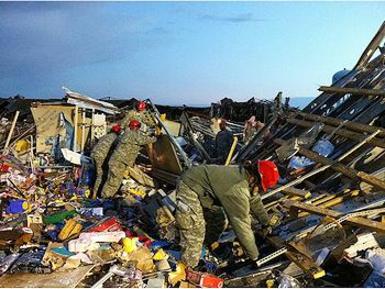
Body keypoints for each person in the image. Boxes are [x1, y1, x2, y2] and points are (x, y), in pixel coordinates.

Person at [175, 160, 280, 268]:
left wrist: (266, 222)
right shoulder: (238, 189)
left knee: (219, 220)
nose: (260, 190)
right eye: (260, 187)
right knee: (195, 229)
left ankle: (206, 245)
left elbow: (254, 200)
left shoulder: (246, 177)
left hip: (204, 191)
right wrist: (254, 256)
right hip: (190, 185)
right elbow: (241, 225)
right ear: (255, 179)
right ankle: (188, 268)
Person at [100, 120, 157, 198]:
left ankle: (105, 197)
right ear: (137, 128)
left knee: (111, 180)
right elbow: (146, 140)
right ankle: (105, 199)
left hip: (117, 161)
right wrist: (155, 137)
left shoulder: (126, 133)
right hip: (119, 162)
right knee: (114, 182)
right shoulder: (133, 135)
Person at [91, 124, 122, 197]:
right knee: (100, 175)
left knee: (96, 173)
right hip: (100, 157)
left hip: (93, 154)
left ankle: (93, 191)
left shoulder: (105, 136)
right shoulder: (116, 139)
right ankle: (94, 194)